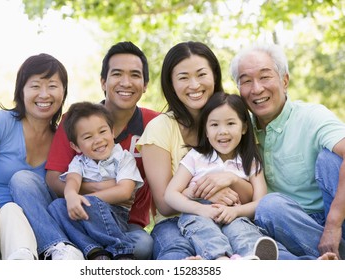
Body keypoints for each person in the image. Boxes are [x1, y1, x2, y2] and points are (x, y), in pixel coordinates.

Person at [12, 41, 158, 260]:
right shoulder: (74, 119)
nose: (126, 82)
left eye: (135, 75)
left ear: (145, 84)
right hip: (75, 213)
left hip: (123, 224)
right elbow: (53, 178)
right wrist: (94, 190)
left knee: (144, 245)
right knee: (23, 181)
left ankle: (83, 248)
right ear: (103, 82)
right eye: (117, 74)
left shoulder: (155, 123)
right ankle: (59, 245)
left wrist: (96, 194)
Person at [136, 41, 255, 260]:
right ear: (171, 84)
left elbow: (252, 195)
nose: (194, 85)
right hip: (175, 221)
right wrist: (210, 193)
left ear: (214, 76)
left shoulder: (232, 122)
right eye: (183, 77)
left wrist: (228, 179)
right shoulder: (160, 128)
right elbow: (164, 202)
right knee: (178, 254)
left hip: (231, 216)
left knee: (252, 245)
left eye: (201, 74)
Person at [230, 43, 345, 260]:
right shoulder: (239, 132)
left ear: (284, 81)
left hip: (337, 218)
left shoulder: (312, 116)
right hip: (288, 227)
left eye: (265, 77)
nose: (256, 89)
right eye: (246, 81)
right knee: (269, 207)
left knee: (330, 159)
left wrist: (333, 224)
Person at [0, 53, 69, 260]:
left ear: (63, 92)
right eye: (35, 86)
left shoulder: (61, 139)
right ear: (21, 91)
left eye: (52, 86)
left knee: (13, 210)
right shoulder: (1, 123)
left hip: (20, 229)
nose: (44, 94)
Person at [164, 92, 277, 260]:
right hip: (199, 213)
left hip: (234, 214)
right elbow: (170, 194)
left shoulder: (250, 161)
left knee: (242, 231)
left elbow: (260, 202)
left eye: (231, 123)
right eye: (214, 125)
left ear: (244, 127)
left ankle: (253, 258)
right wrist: (201, 209)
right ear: (206, 130)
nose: (222, 131)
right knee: (205, 231)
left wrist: (236, 212)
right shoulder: (196, 157)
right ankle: (220, 259)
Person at [48, 101, 143, 259]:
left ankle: (121, 250)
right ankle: (94, 250)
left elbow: (124, 191)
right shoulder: (79, 162)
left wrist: (84, 200)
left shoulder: (123, 157)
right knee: (56, 207)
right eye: (88, 137)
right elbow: (72, 181)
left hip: (114, 215)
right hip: (83, 215)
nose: (98, 140)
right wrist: (71, 196)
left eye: (102, 131)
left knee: (94, 203)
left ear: (112, 132)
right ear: (76, 147)